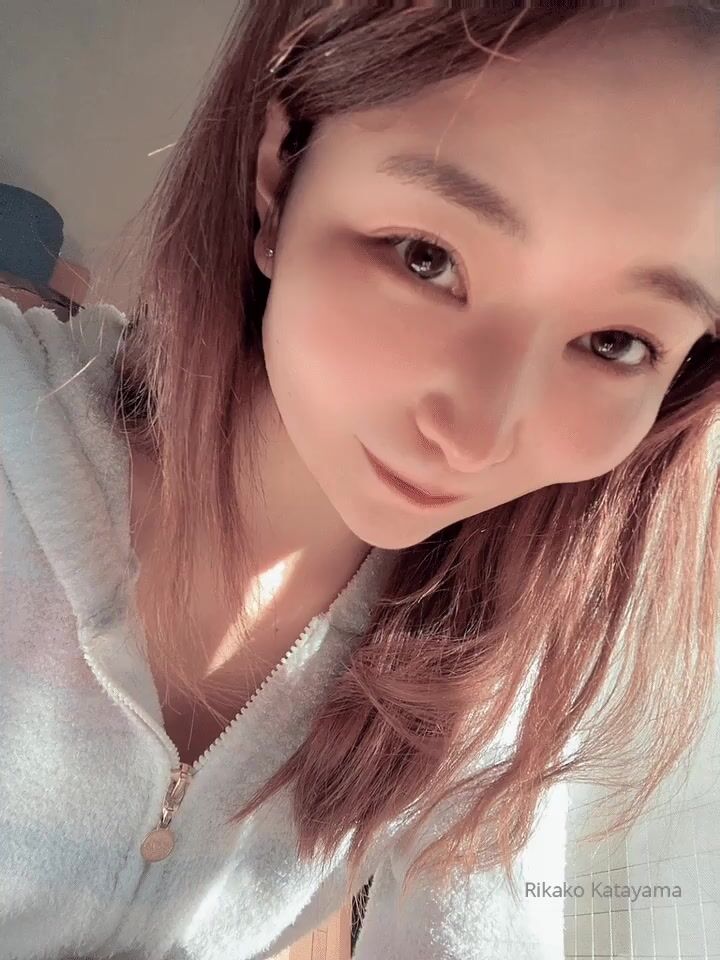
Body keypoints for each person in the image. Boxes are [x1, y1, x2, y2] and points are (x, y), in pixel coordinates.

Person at [1, 3, 718, 958]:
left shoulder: (488, 681)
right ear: (279, 176)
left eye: (616, 342)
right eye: (429, 259)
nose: (475, 435)